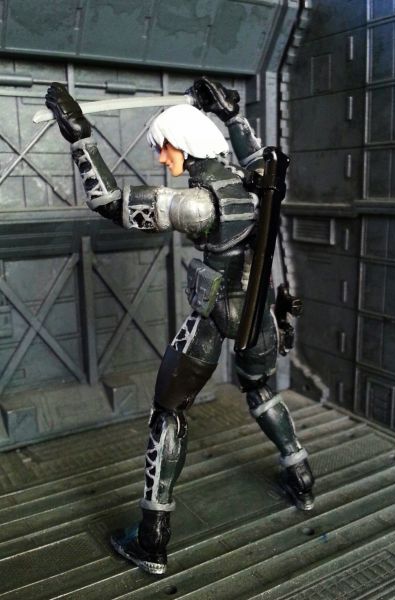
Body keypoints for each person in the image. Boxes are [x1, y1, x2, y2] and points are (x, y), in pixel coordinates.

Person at [45, 79, 315, 576]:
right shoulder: (255, 183)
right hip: (259, 316)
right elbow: (259, 158)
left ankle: (153, 539)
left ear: (182, 143)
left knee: (168, 412)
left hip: (216, 316)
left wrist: (80, 137)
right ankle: (301, 477)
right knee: (260, 390)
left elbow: (108, 202)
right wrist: (232, 115)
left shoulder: (198, 203)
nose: (160, 157)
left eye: (162, 147)